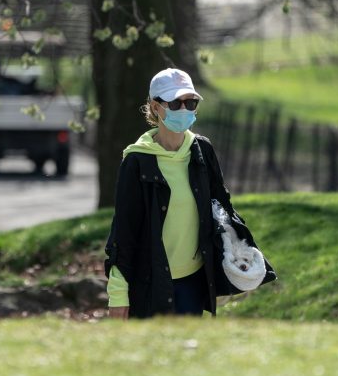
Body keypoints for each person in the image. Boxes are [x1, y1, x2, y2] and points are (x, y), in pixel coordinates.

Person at [105, 68, 262, 319]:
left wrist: (240, 251)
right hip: (149, 285)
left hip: (194, 283)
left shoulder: (202, 150)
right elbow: (124, 234)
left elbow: (221, 209)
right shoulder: (136, 161)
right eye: (176, 102)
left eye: (191, 102)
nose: (185, 109)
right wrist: (118, 294)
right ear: (155, 107)